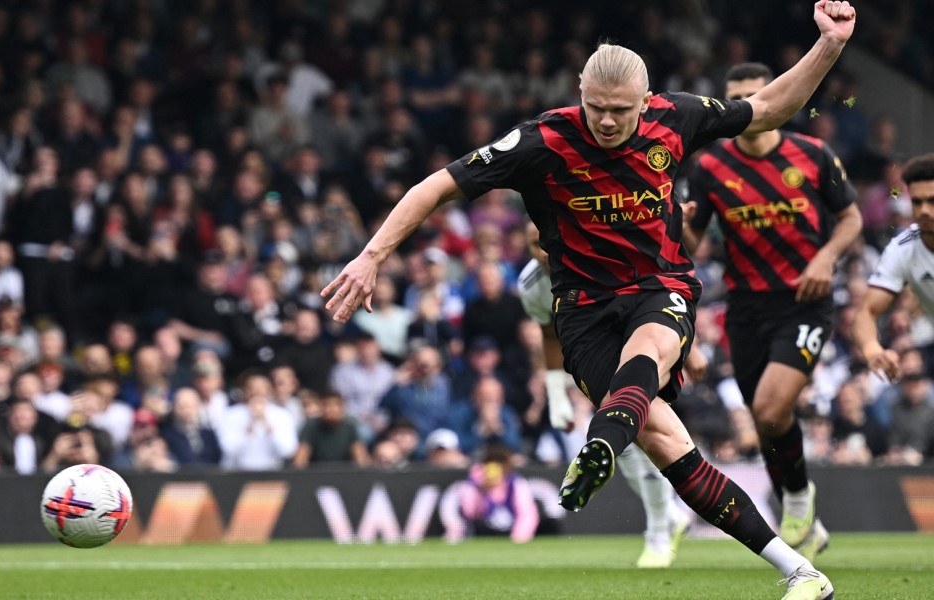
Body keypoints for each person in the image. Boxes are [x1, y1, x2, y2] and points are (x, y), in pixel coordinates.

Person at [322, 3, 856, 597]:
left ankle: (602, 440)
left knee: (648, 352)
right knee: (672, 447)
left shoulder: (676, 117)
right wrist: (372, 255)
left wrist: (829, 45)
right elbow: (437, 186)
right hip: (582, 311)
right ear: (580, 92)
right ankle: (802, 571)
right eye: (597, 107)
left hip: (661, 288)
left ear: (646, 99)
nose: (607, 120)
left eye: (621, 110)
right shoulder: (541, 140)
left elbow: (770, 108)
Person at [682, 62, 863, 561]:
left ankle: (799, 498)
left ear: (777, 97)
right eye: (735, 97)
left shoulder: (812, 155)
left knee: (768, 407)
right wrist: (683, 226)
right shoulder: (711, 168)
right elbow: (691, 245)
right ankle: (806, 517)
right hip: (744, 309)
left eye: (755, 95)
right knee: (767, 420)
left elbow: (851, 218)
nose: (747, 106)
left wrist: (826, 256)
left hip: (803, 302)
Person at [519, 220, 690, 568]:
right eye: (534, 246)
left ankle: (659, 532)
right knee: (622, 447)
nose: (543, 252)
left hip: (640, 347)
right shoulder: (532, 286)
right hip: (598, 360)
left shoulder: (600, 256)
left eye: (545, 242)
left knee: (642, 435)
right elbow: (550, 335)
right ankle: (668, 517)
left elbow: (659, 292)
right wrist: (555, 397)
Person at [853, 153, 934, 382]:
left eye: (932, 201)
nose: (924, 210)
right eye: (917, 202)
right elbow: (866, 313)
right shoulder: (902, 248)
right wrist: (872, 351)